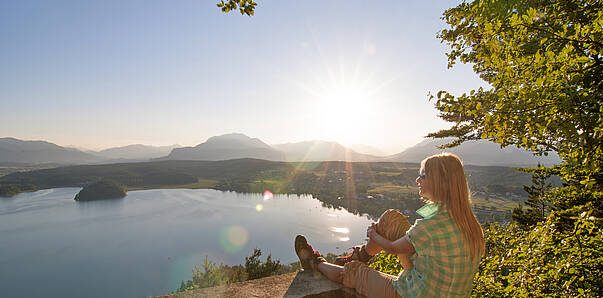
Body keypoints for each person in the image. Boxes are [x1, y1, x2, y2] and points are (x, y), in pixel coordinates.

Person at [294, 153, 485, 297]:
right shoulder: (469, 223)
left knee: (353, 274)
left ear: (438, 182)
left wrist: (373, 234)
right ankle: (360, 255)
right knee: (392, 219)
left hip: (410, 294)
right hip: (428, 284)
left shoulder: (431, 225)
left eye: (422, 175)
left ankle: (314, 262)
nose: (418, 180)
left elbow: (393, 248)